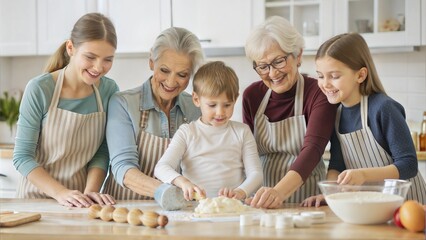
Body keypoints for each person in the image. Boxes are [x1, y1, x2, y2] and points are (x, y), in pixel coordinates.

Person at [301, 32, 426, 207]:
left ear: (360, 75)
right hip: (370, 207)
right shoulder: (336, 114)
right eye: (321, 76)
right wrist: (331, 194)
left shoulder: (383, 108)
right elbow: (337, 163)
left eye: (334, 76)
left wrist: (363, 175)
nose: (325, 84)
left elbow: (409, 164)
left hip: (408, 206)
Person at [13, 13, 119, 207]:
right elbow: (22, 157)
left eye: (107, 59)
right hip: (35, 200)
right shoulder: (40, 89)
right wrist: (61, 193)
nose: (98, 67)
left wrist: (90, 193)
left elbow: (102, 151)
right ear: (71, 48)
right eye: (90, 57)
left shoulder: (108, 90)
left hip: (79, 202)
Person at [242, 16, 338, 209]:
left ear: (298, 55)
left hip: (306, 204)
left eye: (278, 61)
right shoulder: (252, 96)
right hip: (261, 202)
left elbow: (312, 149)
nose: (272, 73)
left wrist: (278, 192)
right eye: (263, 66)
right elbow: (247, 153)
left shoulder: (317, 93)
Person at [103, 27, 205, 205]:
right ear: (151, 62)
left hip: (177, 211)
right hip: (125, 210)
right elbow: (123, 168)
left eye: (182, 75)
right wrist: (166, 191)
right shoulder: (123, 103)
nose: (171, 82)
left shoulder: (196, 109)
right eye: (164, 70)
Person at [154, 61, 263, 201]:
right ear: (196, 99)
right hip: (195, 208)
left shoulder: (242, 131)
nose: (220, 112)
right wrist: (183, 182)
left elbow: (256, 174)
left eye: (227, 105)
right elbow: (162, 167)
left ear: (235, 99)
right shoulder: (187, 132)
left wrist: (241, 192)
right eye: (212, 105)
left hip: (233, 207)